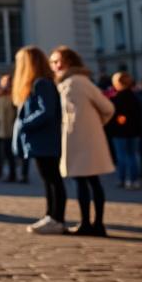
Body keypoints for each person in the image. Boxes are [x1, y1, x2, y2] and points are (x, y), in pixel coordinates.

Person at [51, 46, 114, 237]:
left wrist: (93, 126)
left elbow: (107, 107)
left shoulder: (77, 82)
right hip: (77, 139)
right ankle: (89, 222)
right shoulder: (68, 82)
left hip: (84, 140)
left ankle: (94, 223)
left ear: (67, 62)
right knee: (87, 181)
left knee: (88, 181)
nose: (53, 65)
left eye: (56, 61)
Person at [11, 47, 66, 234]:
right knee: (49, 179)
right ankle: (51, 215)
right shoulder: (40, 83)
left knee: (52, 179)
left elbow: (46, 111)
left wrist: (24, 124)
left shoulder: (41, 84)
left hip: (45, 139)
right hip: (42, 139)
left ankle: (56, 218)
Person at [107, 71, 142, 190]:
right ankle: (134, 180)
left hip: (120, 132)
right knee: (132, 155)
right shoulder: (134, 96)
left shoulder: (116, 98)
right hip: (134, 131)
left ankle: (122, 179)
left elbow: (113, 116)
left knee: (122, 156)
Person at [0, 75, 21, 182]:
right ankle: (1, 172)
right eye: (4, 82)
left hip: (13, 130)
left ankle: (14, 174)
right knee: (3, 153)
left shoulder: (15, 95)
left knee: (12, 154)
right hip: (1, 130)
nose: (6, 84)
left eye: (8, 82)